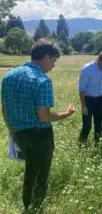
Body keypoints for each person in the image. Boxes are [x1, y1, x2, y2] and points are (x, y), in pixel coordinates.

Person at [1, 39, 75, 213]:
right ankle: (36, 207)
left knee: (30, 169)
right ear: (46, 57)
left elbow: (4, 107)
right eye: (54, 61)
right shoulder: (42, 80)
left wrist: (11, 129)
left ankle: (27, 204)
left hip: (17, 131)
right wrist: (66, 113)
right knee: (41, 174)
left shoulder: (9, 76)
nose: (53, 66)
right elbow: (44, 117)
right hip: (39, 135)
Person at [78, 51, 102, 147]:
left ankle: (98, 144)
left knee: (99, 125)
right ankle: (81, 145)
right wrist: (83, 106)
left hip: (99, 99)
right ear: (98, 60)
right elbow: (81, 89)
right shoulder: (87, 69)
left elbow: (101, 85)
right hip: (88, 100)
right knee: (87, 126)